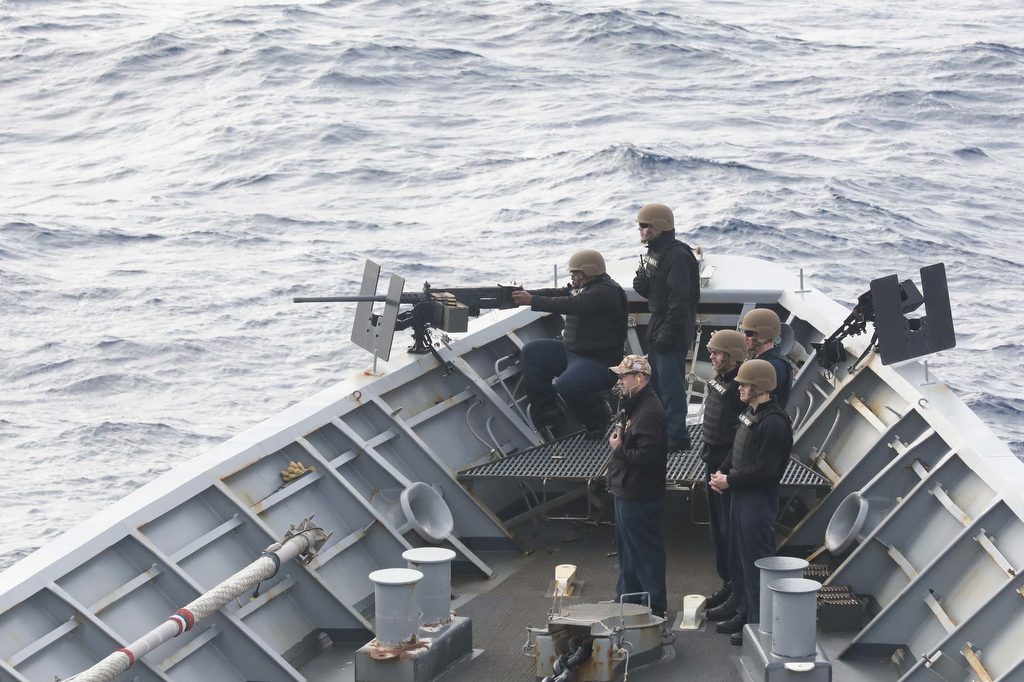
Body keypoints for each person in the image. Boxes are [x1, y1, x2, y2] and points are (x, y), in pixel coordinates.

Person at [709, 359, 794, 645]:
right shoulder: (751, 412)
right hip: (741, 496)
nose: (740, 388)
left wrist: (729, 481)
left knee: (756, 563)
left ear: (759, 387)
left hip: (757, 500)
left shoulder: (774, 423)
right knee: (739, 559)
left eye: (744, 384)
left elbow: (766, 469)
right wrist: (722, 470)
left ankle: (758, 626)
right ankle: (744, 612)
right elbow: (737, 447)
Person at [512, 250, 628, 437]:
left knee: (567, 384)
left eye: (575, 273)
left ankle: (597, 420)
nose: (572, 277)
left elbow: (571, 304)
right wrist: (525, 295)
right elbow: (558, 293)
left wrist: (532, 301)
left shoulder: (605, 292)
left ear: (588, 273)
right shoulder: (585, 288)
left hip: (600, 363)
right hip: (573, 353)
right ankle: (547, 409)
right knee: (532, 352)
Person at [606, 355, 669, 628]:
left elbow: (648, 456)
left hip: (638, 493)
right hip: (626, 489)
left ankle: (655, 608)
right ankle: (627, 599)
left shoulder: (648, 412)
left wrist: (619, 449)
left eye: (623, 376)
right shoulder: (637, 406)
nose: (619, 381)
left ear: (639, 379)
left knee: (645, 551)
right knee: (629, 551)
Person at [631, 203, 701, 452]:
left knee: (671, 387)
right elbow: (662, 290)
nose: (640, 229)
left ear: (659, 227)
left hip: (673, 324)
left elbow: (681, 300)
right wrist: (645, 287)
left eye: (645, 225)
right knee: (658, 384)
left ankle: (678, 438)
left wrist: (669, 332)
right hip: (660, 321)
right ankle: (661, 431)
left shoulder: (677, 255)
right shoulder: (657, 252)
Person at [699, 330, 748, 622]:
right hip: (713, 462)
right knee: (718, 532)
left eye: (717, 352)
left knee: (732, 534)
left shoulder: (741, 388)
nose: (712, 357)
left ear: (731, 355)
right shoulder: (720, 382)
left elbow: (742, 435)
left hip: (728, 469)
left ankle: (737, 593)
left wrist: (728, 471)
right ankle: (728, 583)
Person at [739, 308, 792, 409]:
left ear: (764, 334)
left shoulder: (775, 366)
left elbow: (751, 397)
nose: (745, 337)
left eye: (749, 333)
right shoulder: (758, 359)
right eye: (745, 332)